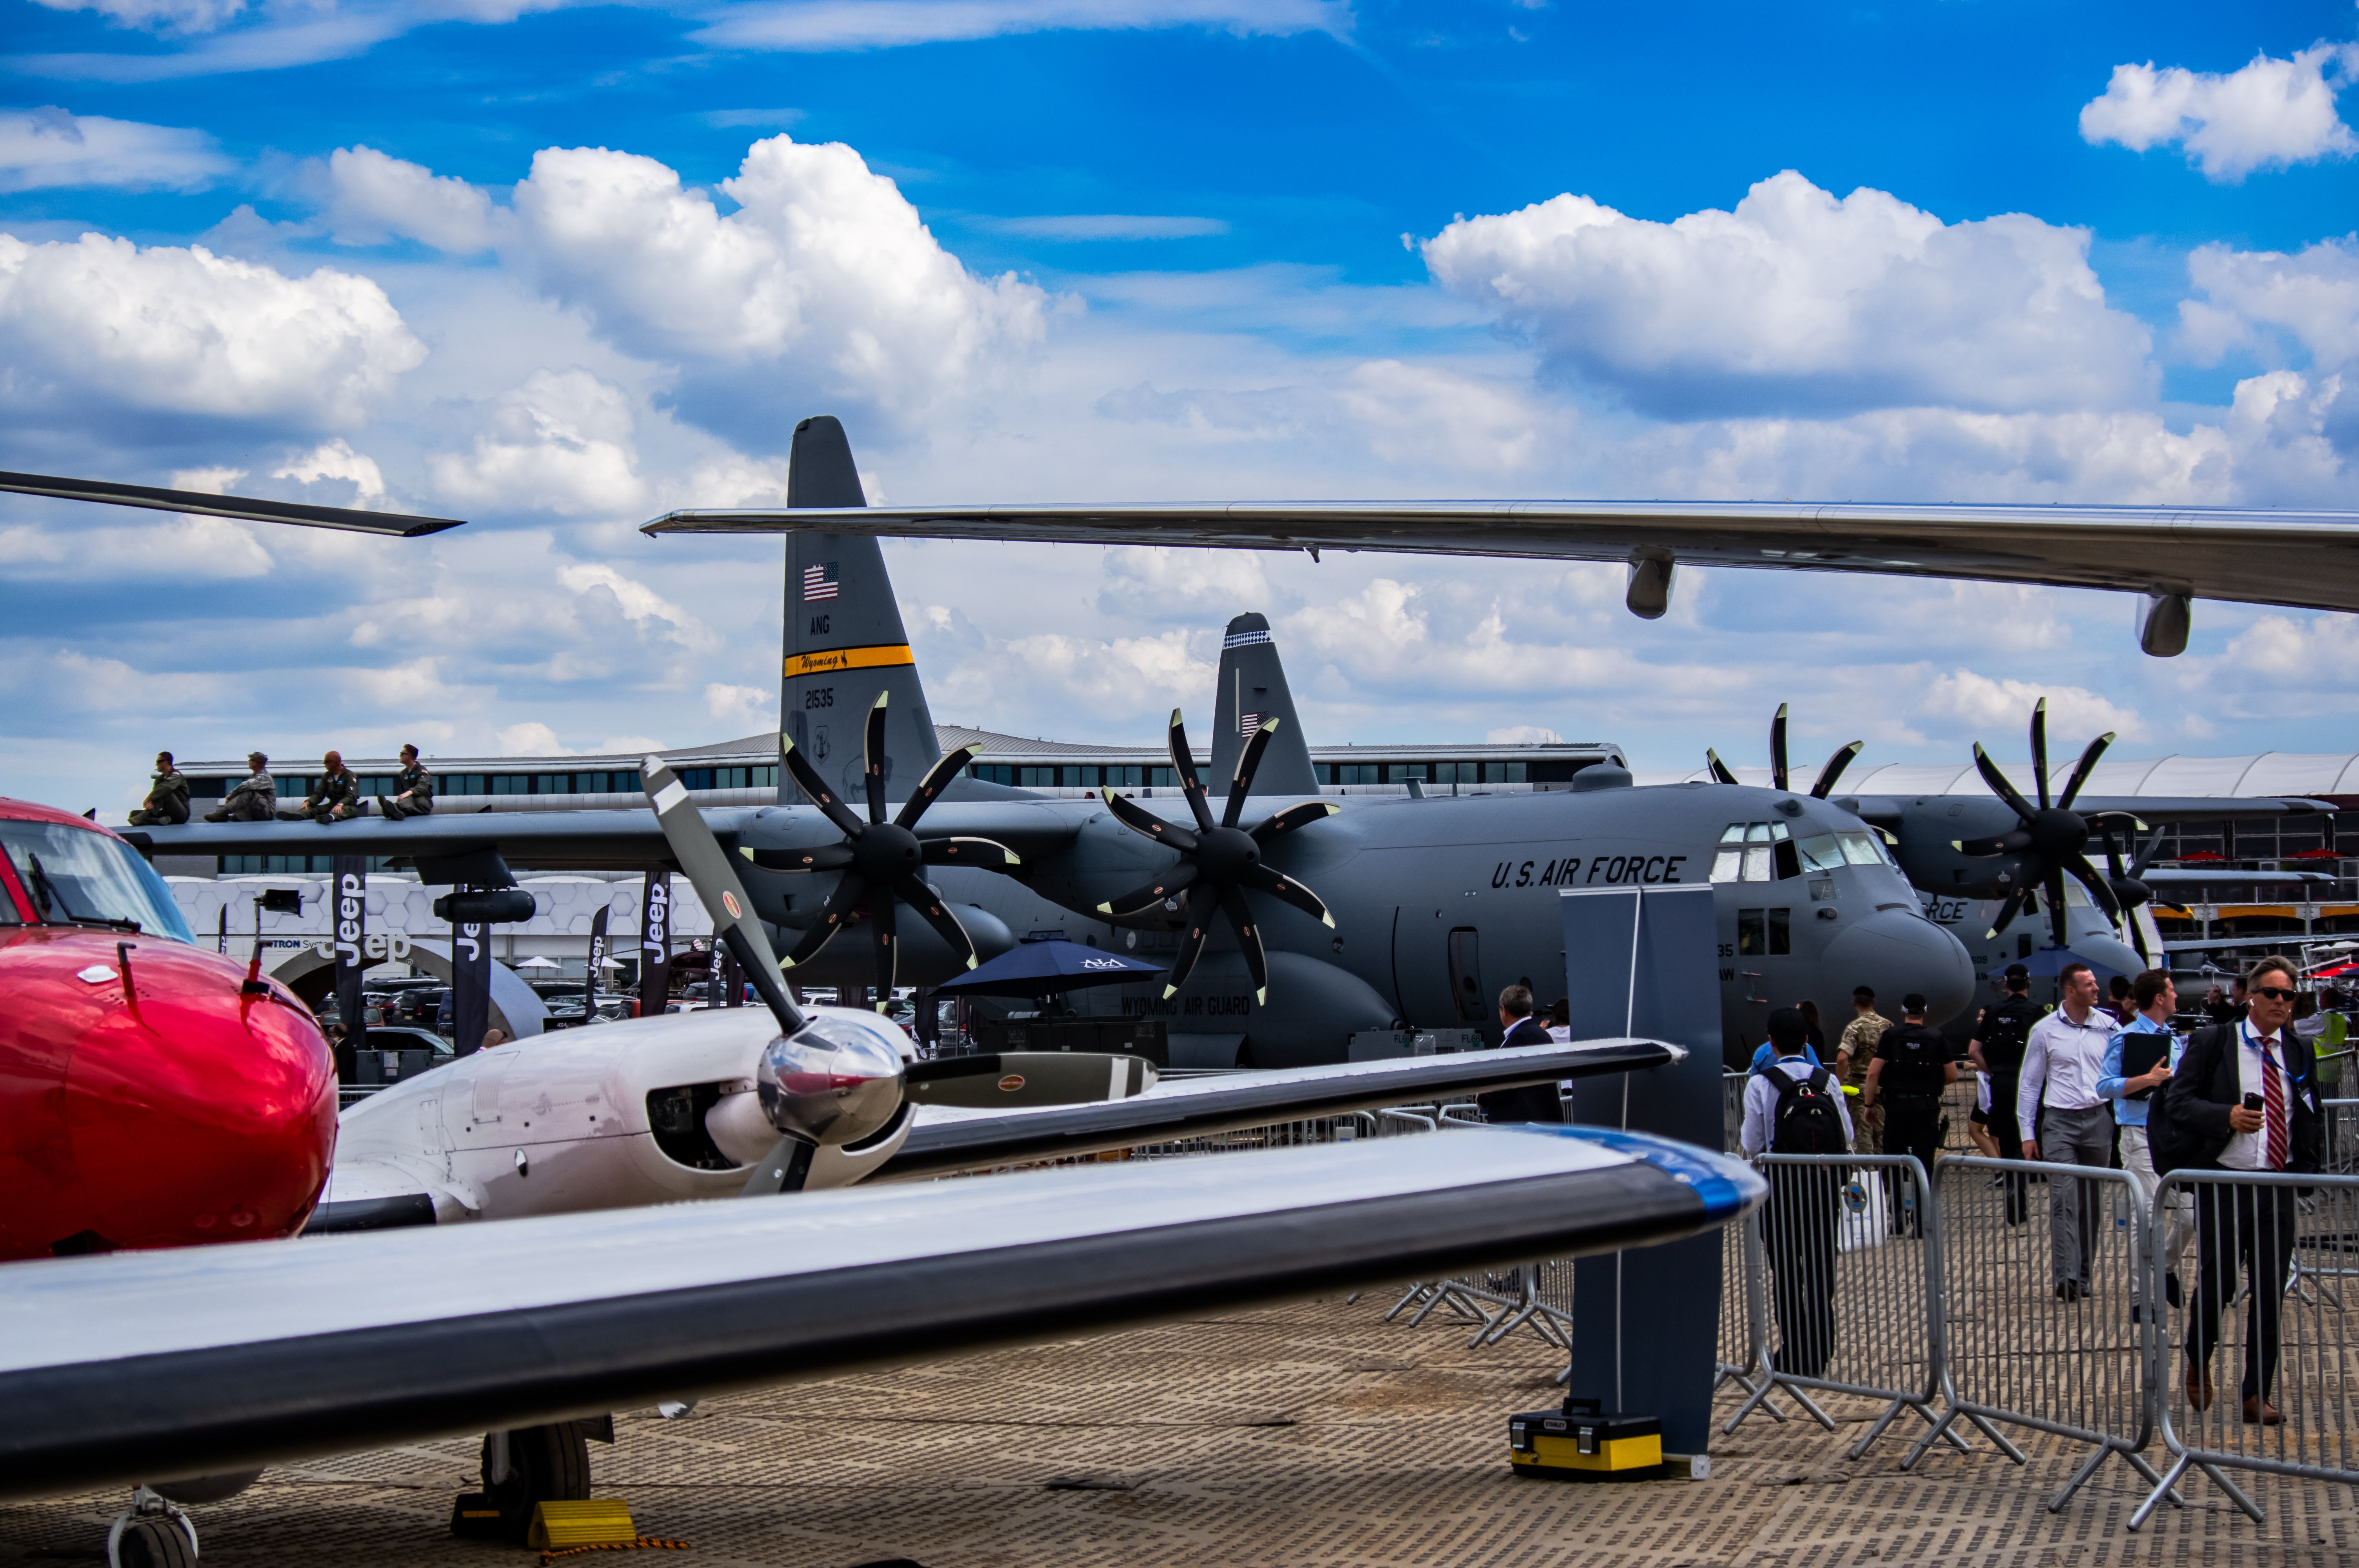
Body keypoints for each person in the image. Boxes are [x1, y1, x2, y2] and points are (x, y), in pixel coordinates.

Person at [2156, 956, 2323, 1424]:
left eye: (2287, 995)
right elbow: (2178, 1101)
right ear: (2250, 995)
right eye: (2271, 993)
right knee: (2219, 1282)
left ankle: (2256, 1394)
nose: (2279, 1002)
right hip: (2225, 1182)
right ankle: (2197, 1357)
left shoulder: (2298, 1049)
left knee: (2270, 1291)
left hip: (2277, 1184)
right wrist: (2225, 1116)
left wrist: (2307, 1165)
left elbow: (2311, 1109)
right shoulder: (2213, 1041)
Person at [1742, 1007, 1854, 1379]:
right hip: (1821, 1185)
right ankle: (1821, 1349)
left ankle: (1795, 1352)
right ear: (1807, 1040)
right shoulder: (1827, 1081)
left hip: (1780, 1188)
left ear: (1770, 1043)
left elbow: (1753, 1142)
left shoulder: (1760, 1084)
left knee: (1787, 1271)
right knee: (1822, 1265)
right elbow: (1847, 1136)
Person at [2020, 962, 2120, 1300]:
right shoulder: (2044, 1030)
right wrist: (2027, 1133)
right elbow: (2030, 1083)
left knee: (2091, 1202)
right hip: (2059, 1122)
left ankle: (2084, 1276)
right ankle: (2066, 1279)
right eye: (2089, 985)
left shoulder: (2109, 1026)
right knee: (2064, 1200)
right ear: (2070, 990)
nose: (2096, 989)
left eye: (2095, 984)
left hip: (2098, 1119)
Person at [2100, 968, 2188, 1320]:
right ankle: (2142, 1298)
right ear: (2159, 998)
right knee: (2149, 1216)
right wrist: (2146, 1080)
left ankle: (2164, 1268)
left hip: (2175, 1136)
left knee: (2191, 1216)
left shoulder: (2173, 1037)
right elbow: (2104, 1086)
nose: (2177, 996)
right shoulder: (2126, 1038)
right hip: (2140, 1134)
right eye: (2172, 991)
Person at [1863, 993, 1957, 1238]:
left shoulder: (1891, 1036)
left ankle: (1898, 1216)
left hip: (1896, 1108)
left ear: (1903, 1011)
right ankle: (1922, 1220)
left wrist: (1869, 1104)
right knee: (1924, 1164)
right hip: (1926, 1108)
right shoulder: (1937, 1038)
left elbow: (1873, 1074)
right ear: (1925, 1011)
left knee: (1895, 1161)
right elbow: (1952, 1075)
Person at [1969, 965, 2041, 1224]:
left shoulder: (1993, 1012)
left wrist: (1993, 1072)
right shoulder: (2037, 1013)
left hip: (2001, 1084)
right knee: (2029, 1135)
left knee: (2008, 1142)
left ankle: (2012, 1190)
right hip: (2028, 1085)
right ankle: (2021, 1190)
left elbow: (1974, 1051)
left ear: (2006, 985)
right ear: (2028, 984)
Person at [1475, 984, 1564, 1123]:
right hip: (1545, 1122)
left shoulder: (1519, 1038)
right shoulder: (1542, 1035)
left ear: (1504, 1011)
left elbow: (1503, 1081)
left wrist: (1482, 1097)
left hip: (1523, 1126)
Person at [1837, 986, 1893, 1152]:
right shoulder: (1889, 1026)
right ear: (1873, 1002)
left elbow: (1842, 1058)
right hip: (1884, 1089)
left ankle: (1868, 1175)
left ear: (1855, 1003)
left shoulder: (1855, 1028)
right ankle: (1887, 1174)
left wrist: (1839, 1085)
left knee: (1863, 1137)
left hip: (1859, 1091)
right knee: (1884, 1137)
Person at [279, 751, 365, 823]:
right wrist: (308, 802)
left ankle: (330, 818)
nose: (324, 764)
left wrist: (341, 804)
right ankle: (300, 816)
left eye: (327, 762)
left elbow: (351, 796)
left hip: (347, 807)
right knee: (312, 809)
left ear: (334, 763)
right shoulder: (327, 776)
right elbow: (319, 793)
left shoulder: (350, 776)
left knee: (343, 811)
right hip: (332, 805)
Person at [205, 752, 276, 822]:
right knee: (238, 816)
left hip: (266, 812)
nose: (249, 761)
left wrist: (232, 795)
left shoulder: (264, 777)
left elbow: (246, 785)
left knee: (250, 793)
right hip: (254, 810)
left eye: (251, 760)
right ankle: (227, 816)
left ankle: (221, 813)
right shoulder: (253, 776)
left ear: (255, 763)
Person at [127, 751, 189, 826]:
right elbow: (156, 797)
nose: (156, 764)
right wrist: (149, 804)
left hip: (181, 814)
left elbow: (166, 787)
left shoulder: (176, 775)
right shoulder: (159, 780)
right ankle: (158, 821)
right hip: (167, 814)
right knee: (134, 814)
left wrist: (149, 798)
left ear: (165, 762)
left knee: (166, 793)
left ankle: (146, 816)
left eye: (158, 762)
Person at [380, 743, 435, 820]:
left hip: (422, 804)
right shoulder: (403, 774)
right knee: (407, 801)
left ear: (409, 756)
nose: (400, 756)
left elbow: (423, 786)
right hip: (409, 805)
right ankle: (396, 812)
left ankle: (393, 809)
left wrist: (409, 793)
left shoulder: (422, 771)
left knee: (409, 800)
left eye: (402, 754)